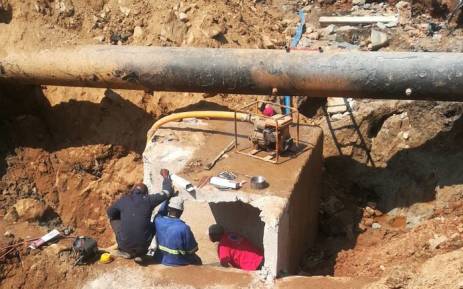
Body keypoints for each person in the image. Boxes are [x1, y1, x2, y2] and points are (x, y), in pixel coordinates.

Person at [106, 169, 174, 263]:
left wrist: (124, 216)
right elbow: (167, 192)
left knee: (114, 218)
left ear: (132, 191)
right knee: (155, 221)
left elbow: (110, 213)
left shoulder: (123, 200)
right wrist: (166, 176)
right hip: (143, 246)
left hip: (124, 244)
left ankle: (125, 249)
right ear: (146, 193)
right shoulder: (149, 199)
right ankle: (140, 254)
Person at [154, 196, 201, 266]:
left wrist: (167, 198)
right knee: (198, 260)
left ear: (168, 209)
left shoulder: (158, 220)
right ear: (181, 212)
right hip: (178, 261)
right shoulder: (184, 228)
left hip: (159, 258)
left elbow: (160, 212)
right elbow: (192, 249)